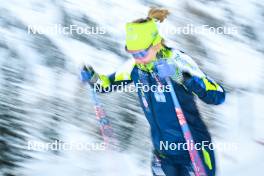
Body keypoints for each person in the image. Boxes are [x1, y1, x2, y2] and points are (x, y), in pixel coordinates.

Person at [81, 7, 225, 176]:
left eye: (142, 52)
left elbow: (217, 96)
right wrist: (93, 78)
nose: (138, 58)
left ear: (156, 44)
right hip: (163, 153)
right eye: (133, 53)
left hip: (194, 149)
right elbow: (106, 85)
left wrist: (179, 76)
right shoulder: (135, 68)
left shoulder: (177, 60)